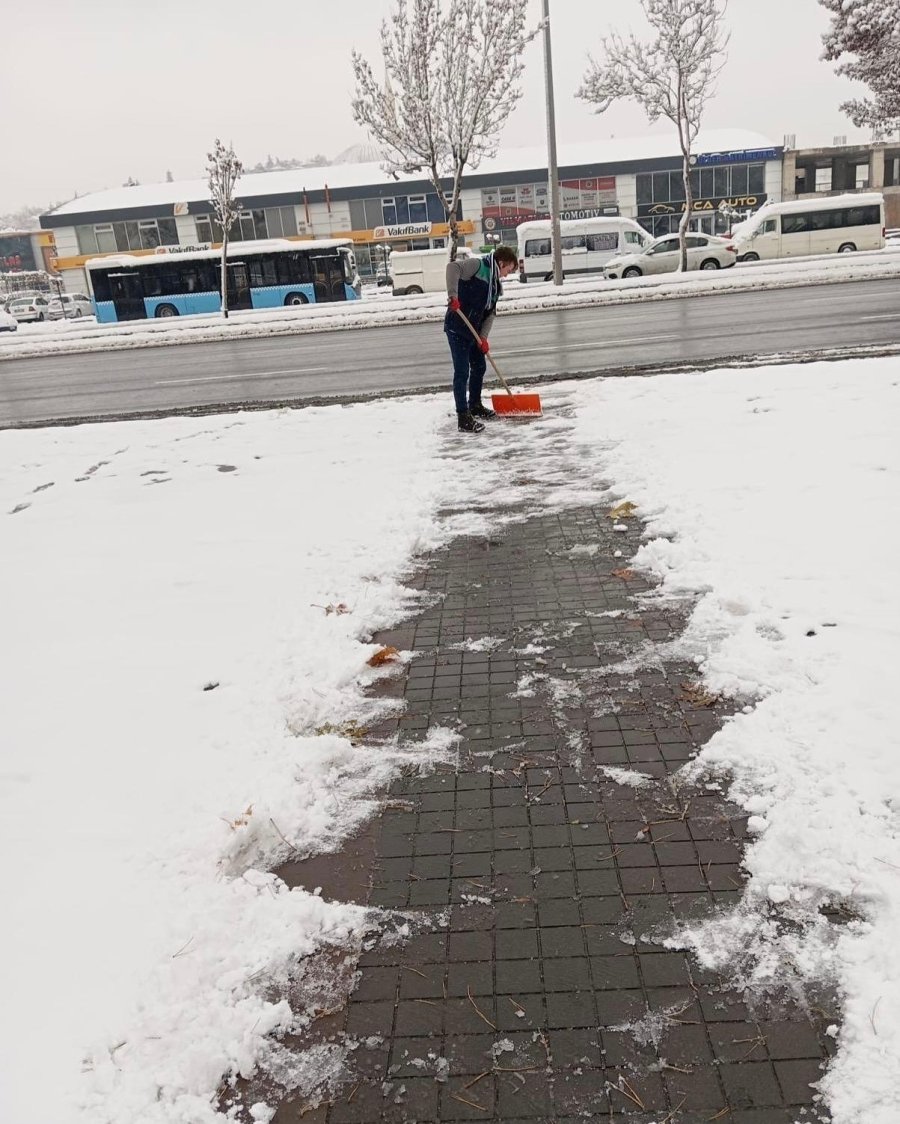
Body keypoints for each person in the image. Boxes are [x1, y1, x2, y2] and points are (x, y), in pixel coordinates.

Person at [445, 244, 518, 433]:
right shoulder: (478, 266)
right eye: (508, 270)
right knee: (462, 372)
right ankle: (463, 417)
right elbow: (452, 268)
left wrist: (483, 338)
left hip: (474, 332)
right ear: (501, 263)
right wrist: (453, 295)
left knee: (479, 366)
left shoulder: (495, 286)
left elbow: (490, 313)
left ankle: (475, 405)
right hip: (458, 327)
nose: (507, 275)